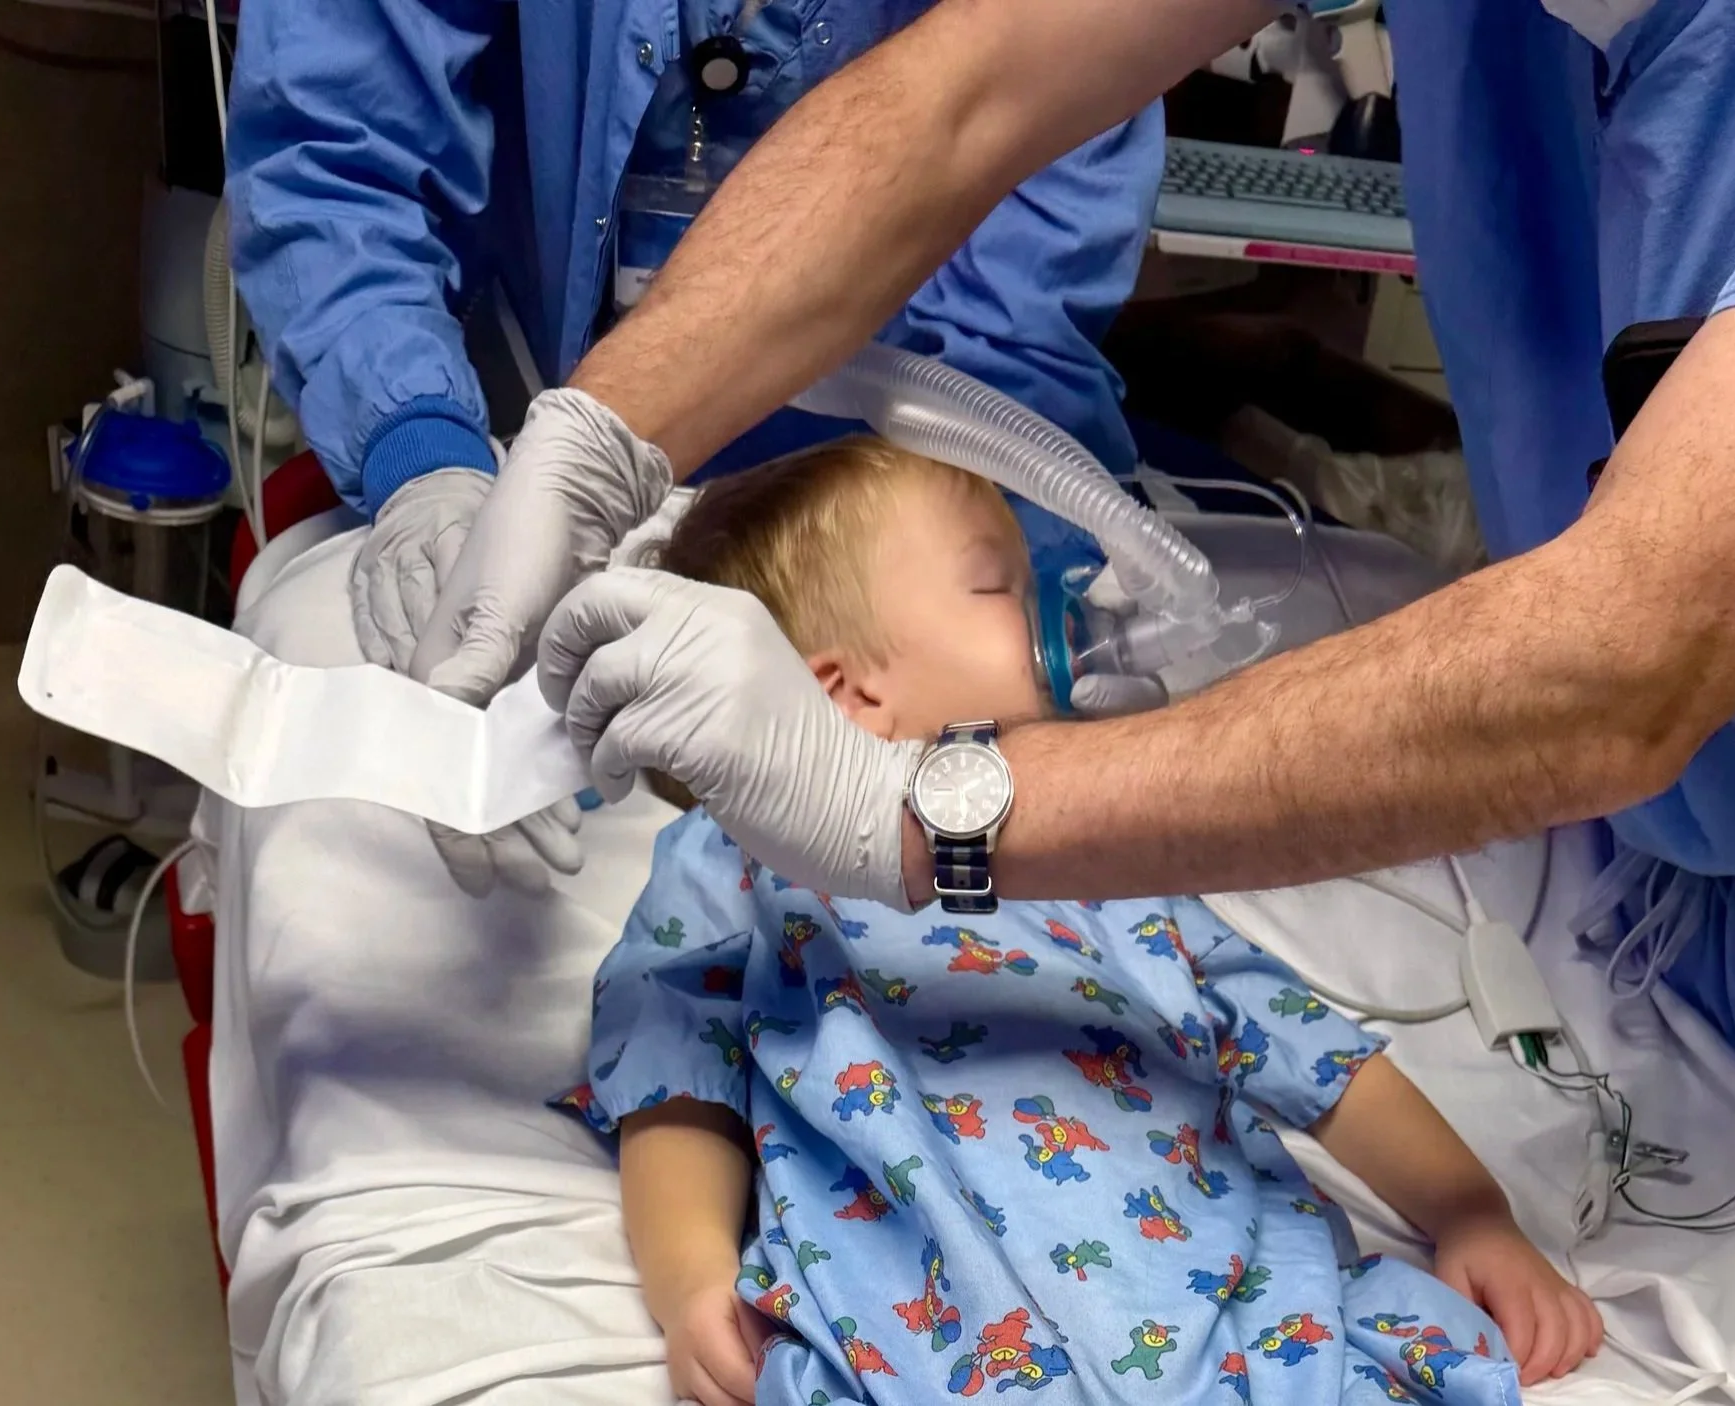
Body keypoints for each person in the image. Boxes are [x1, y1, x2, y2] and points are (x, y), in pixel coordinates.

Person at [419, 0, 1735, 1316]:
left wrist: (926, 807)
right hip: (1603, 822)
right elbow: (961, 95)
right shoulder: (722, 881)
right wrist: (602, 429)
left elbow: (1620, 662)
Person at [569, 439, 1600, 1406]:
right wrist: (691, 1277)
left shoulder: (1102, 857)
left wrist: (1471, 1213)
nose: (1061, 611)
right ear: (845, 693)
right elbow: (675, 1080)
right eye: (997, 588)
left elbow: (1310, 1052)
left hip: (1246, 1307)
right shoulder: (737, 857)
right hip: (929, 1322)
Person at [220, 0, 1161, 896]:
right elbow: (334, 143)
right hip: (560, 451)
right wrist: (419, 453)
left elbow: (1010, 140)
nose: (1066, 633)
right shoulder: (735, 914)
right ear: (839, 692)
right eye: (997, 588)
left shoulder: (1046, 840)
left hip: (922, 454)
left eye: (1003, 586)